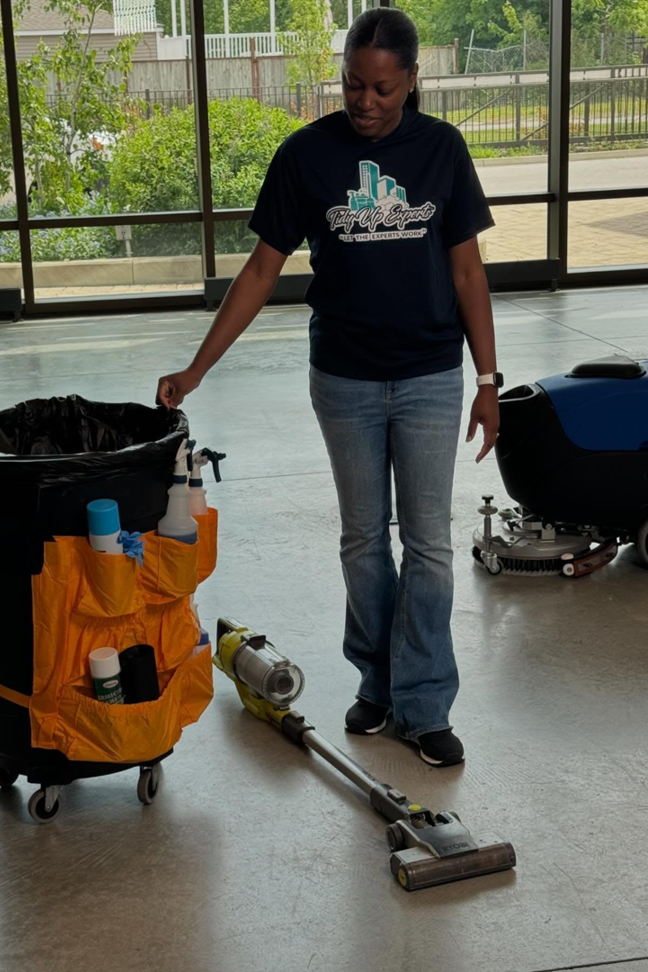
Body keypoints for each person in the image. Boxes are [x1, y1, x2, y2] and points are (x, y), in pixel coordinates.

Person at [157, 7, 501, 767]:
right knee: (361, 541)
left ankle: (423, 703)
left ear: (412, 81)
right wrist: (196, 367)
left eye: (382, 89)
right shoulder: (306, 155)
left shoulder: (440, 149)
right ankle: (376, 688)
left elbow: (467, 271)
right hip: (342, 378)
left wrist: (486, 379)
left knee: (429, 546)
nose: (365, 103)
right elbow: (259, 271)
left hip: (428, 377)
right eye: (353, 85)